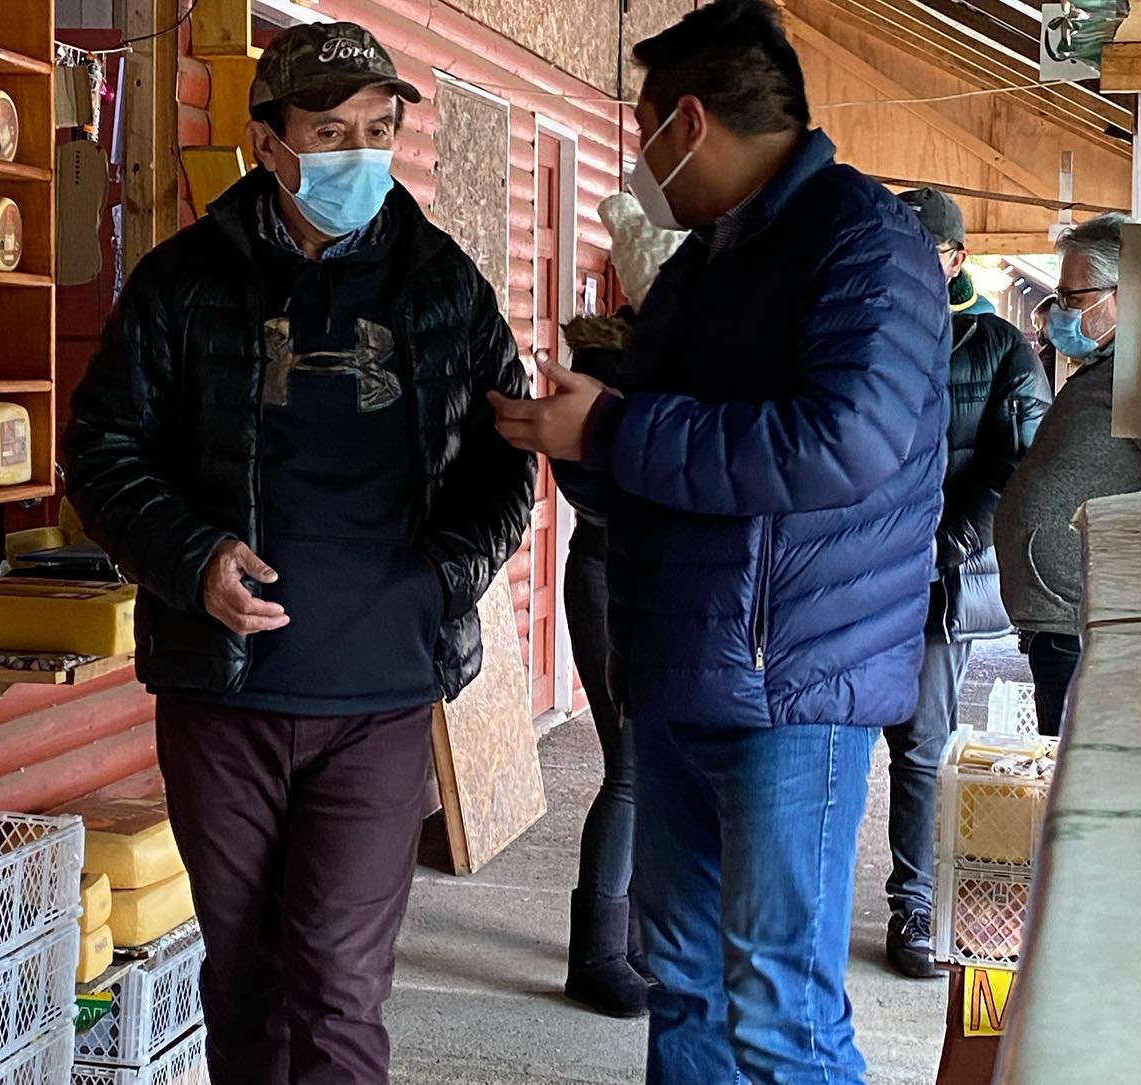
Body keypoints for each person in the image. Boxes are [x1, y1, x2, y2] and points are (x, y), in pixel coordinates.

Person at [62, 21, 535, 1084]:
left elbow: (508, 458)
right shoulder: (182, 282)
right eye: (330, 133)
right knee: (246, 977)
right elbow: (100, 449)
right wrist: (192, 556)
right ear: (267, 144)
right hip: (224, 696)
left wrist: (446, 575)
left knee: (339, 982)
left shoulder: (443, 284)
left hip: (380, 695)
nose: (360, 153)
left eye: (379, 129)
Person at [488, 1, 950, 1081]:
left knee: (781, 1005)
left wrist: (613, 428)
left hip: (796, 682)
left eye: (643, 129)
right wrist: (572, 434)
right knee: (686, 985)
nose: (641, 161)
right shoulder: (704, 263)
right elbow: (655, 458)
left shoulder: (863, 241)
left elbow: (841, 443)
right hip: (684, 665)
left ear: (687, 122)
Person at [882, 188, 1052, 979]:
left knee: (921, 745)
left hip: (939, 579)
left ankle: (915, 904)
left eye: (926, 250)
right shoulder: (864, 326)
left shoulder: (999, 347)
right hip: (858, 573)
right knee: (832, 739)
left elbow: (1016, 463)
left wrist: (947, 543)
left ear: (957, 257)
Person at [562, 195, 685, 1019]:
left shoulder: (698, 356)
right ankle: (598, 952)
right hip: (611, 571)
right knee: (632, 766)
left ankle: (636, 937)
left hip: (671, 582)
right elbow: (589, 478)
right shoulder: (608, 359)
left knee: (659, 768)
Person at [996, 213, 1141, 736]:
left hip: (1093, 627)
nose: (1060, 311)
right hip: (1070, 622)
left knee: (1078, 769)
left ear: (1123, 294)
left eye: (1074, 298)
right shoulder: (1111, 369)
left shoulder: (1136, 372)